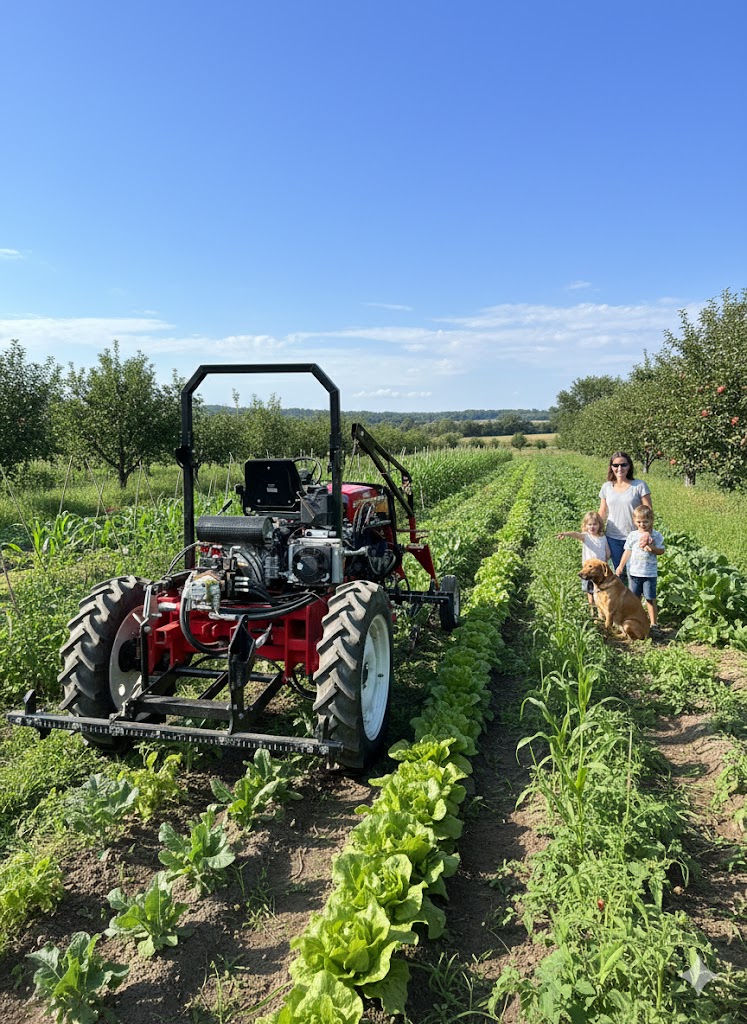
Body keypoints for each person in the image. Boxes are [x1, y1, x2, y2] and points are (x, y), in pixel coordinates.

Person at [598, 452, 652, 573]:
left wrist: (647, 533)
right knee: (618, 572)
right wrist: (596, 533)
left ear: (629, 466)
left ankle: (635, 593)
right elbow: (602, 511)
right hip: (613, 537)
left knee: (635, 573)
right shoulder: (606, 487)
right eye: (616, 465)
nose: (619, 468)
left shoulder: (639, 486)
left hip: (636, 537)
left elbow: (649, 511)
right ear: (611, 467)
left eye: (623, 465)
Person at [616, 505, 665, 632]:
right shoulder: (633, 535)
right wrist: (621, 566)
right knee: (634, 599)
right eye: (639, 522)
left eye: (645, 522)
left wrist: (652, 548)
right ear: (634, 521)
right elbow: (627, 551)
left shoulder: (656, 535)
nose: (642, 524)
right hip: (634, 573)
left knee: (650, 598)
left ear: (651, 521)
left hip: (649, 573)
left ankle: (654, 625)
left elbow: (661, 551)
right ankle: (635, 620)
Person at [557, 511, 612, 608]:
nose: (592, 527)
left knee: (601, 589)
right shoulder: (586, 537)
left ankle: (601, 607)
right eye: (589, 524)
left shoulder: (603, 538)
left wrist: (606, 560)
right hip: (588, 570)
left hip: (599, 571)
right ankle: (591, 608)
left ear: (599, 525)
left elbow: (607, 552)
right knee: (589, 590)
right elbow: (575, 534)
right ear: (585, 526)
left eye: (595, 524)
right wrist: (565, 534)